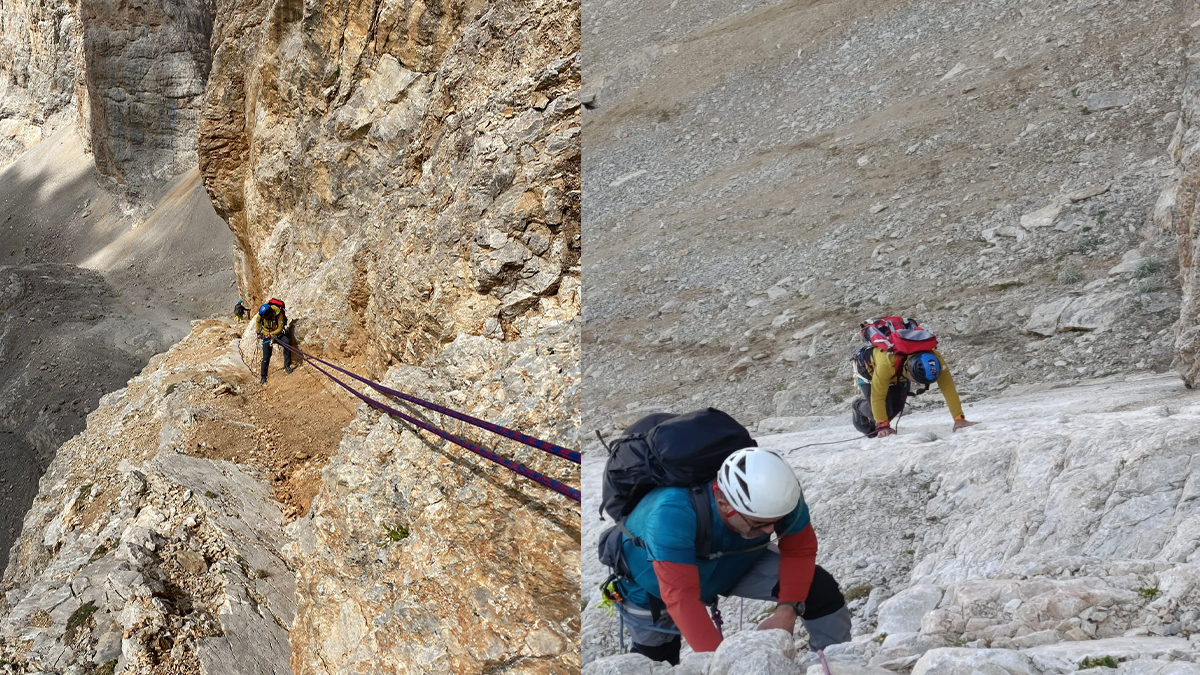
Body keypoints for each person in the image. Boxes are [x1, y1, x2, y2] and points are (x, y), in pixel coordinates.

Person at [607, 447, 851, 664]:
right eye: (758, 524)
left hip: (732, 561)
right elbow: (682, 598)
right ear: (724, 503)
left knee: (817, 589)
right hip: (650, 582)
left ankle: (834, 664)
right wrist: (726, 666)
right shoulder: (672, 513)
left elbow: (800, 551)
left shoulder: (780, 498)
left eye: (774, 523)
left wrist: (786, 611)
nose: (769, 531)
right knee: (658, 657)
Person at [851, 342, 976, 437]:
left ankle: (873, 429)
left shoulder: (936, 360)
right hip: (869, 369)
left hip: (898, 369)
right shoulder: (887, 363)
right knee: (881, 414)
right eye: (916, 380)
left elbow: (948, 388)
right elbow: (878, 395)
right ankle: (858, 406)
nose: (918, 384)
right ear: (908, 368)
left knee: (897, 407)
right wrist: (882, 425)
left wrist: (959, 419)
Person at [255, 299, 292, 384]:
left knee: (286, 343)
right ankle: (263, 376)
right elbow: (257, 320)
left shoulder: (277, 313)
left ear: (270, 313)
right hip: (266, 335)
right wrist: (258, 331)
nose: (264, 319)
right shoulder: (262, 315)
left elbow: (280, 328)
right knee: (266, 357)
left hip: (277, 334)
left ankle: (287, 365)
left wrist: (271, 334)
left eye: (266, 317)